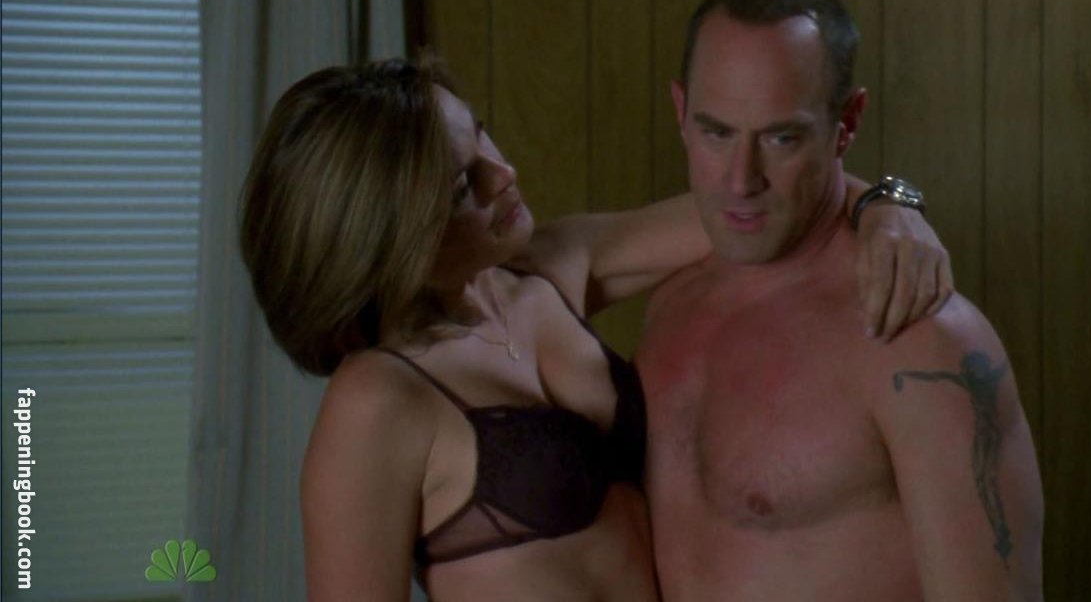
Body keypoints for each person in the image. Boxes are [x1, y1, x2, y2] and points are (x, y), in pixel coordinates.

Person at [239, 56, 951, 601]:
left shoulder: (551, 266)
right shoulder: (375, 402)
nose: (503, 172)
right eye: (462, 186)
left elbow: (765, 210)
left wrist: (891, 205)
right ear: (387, 233)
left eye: (480, 134)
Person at [635, 0, 1045, 601]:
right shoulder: (668, 303)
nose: (741, 181)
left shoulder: (918, 337)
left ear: (846, 123)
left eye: (782, 138)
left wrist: (890, 199)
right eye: (717, 132)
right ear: (680, 111)